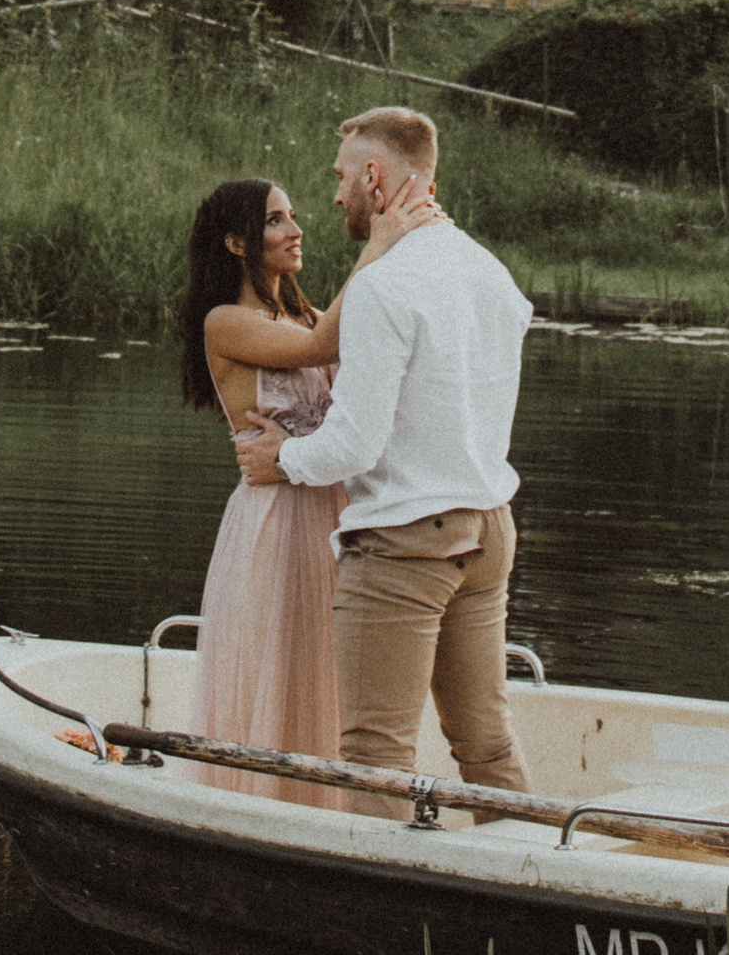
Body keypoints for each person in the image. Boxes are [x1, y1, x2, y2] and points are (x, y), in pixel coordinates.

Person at [234, 105, 531, 805]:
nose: (334, 195)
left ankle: (379, 914)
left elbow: (353, 443)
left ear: (375, 175)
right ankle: (541, 885)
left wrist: (284, 458)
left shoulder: (383, 285)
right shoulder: (492, 274)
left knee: (375, 753)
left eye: (340, 177)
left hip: (406, 544)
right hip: (489, 530)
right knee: (486, 743)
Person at [175, 171, 422, 806]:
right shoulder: (225, 322)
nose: (297, 228)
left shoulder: (309, 312)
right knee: (280, 667)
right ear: (237, 244)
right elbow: (322, 346)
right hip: (276, 519)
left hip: (335, 510)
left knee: (331, 671)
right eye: (278, 219)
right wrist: (378, 245)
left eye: (293, 216)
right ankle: (264, 812)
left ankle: (334, 812)